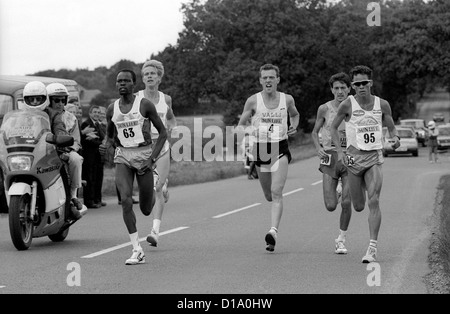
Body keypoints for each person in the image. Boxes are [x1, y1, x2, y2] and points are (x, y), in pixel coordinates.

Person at [331, 65, 400, 263]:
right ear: (352, 86)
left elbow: (392, 129)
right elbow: (334, 128)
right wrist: (340, 152)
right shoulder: (347, 105)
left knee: (374, 201)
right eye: (357, 84)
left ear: (370, 83)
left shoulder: (382, 105)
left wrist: (395, 139)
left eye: (364, 83)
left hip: (374, 159)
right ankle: (341, 186)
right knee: (359, 206)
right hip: (353, 160)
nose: (361, 87)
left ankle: (372, 248)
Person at [100, 69, 167, 265]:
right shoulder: (112, 109)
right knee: (126, 201)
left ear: (133, 84)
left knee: (146, 209)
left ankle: (156, 186)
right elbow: (110, 137)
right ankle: (137, 249)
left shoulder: (144, 105)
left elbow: (163, 133)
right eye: (119, 81)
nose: (122, 84)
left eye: (126, 81)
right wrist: (106, 146)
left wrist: (151, 159)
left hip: (144, 155)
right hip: (123, 157)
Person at [236, 64, 299, 252]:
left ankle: (273, 232)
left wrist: (293, 125)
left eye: (272, 77)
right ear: (260, 80)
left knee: (277, 190)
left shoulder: (287, 100)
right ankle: (273, 226)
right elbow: (241, 125)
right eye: (265, 78)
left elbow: (295, 115)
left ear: (278, 79)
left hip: (280, 147)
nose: (268, 81)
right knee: (268, 195)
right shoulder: (253, 101)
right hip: (262, 149)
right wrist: (249, 135)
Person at [21, 81, 82, 221]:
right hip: (32, 152)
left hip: (56, 150)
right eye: (31, 99)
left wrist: (61, 141)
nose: (35, 102)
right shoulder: (22, 115)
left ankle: (70, 202)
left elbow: (61, 130)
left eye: (38, 98)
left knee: (72, 161)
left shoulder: (56, 115)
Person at [311, 72, 352, 254]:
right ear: (331, 90)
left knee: (347, 202)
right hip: (329, 156)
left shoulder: (355, 107)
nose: (340, 91)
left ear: (349, 89)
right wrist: (318, 147)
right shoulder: (324, 109)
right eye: (336, 88)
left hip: (350, 156)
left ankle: (341, 239)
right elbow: (314, 132)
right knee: (330, 206)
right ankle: (337, 189)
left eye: (343, 88)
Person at [139, 60, 177, 247]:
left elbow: (170, 118)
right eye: (146, 74)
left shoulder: (166, 99)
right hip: (142, 148)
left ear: (159, 77)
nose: (149, 76)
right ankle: (163, 185)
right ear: (142, 78)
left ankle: (155, 231)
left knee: (158, 188)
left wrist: (172, 130)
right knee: (150, 188)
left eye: (153, 73)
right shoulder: (136, 98)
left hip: (161, 146)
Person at [46, 83, 84, 213]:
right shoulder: (43, 115)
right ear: (49, 100)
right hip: (45, 151)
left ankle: (73, 195)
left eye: (63, 100)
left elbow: (76, 140)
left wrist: (67, 151)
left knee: (77, 159)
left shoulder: (71, 118)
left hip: (66, 151)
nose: (60, 103)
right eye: (57, 100)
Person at [81, 105, 105, 208]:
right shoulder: (86, 124)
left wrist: (102, 142)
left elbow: (101, 138)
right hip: (89, 156)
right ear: (90, 113)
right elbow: (89, 140)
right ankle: (89, 201)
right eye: (94, 112)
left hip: (98, 156)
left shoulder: (99, 125)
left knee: (98, 178)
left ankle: (97, 199)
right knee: (90, 179)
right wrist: (101, 143)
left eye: (98, 112)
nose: (96, 114)